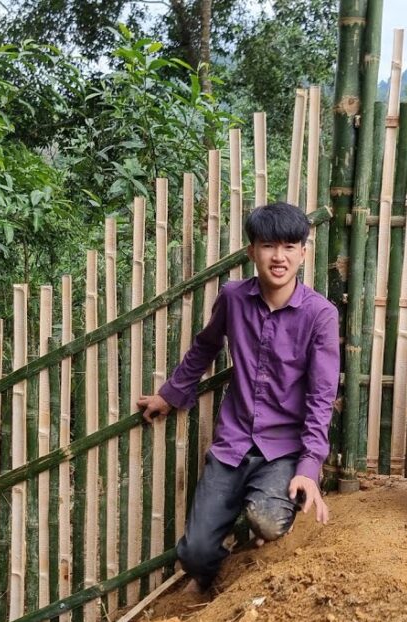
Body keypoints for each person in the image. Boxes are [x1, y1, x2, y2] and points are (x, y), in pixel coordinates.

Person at [137, 202, 339, 592]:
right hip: (233, 443)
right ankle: (219, 584)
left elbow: (321, 397)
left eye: (289, 247)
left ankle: (270, 530)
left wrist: (309, 466)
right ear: (252, 251)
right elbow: (205, 347)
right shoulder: (233, 298)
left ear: (303, 253)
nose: (278, 257)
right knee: (194, 553)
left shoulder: (320, 315)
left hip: (283, 449)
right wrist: (170, 395)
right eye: (268, 246)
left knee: (268, 520)